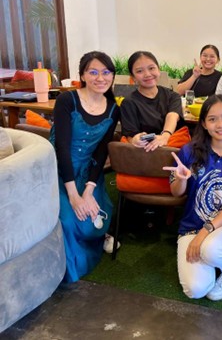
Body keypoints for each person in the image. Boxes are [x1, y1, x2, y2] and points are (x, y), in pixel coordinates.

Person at [163, 95, 222, 301]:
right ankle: (213, 258)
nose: (221, 125)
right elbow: (176, 192)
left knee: (211, 249)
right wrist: (181, 179)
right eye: (212, 119)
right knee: (196, 290)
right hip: (191, 227)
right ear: (203, 123)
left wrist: (204, 233)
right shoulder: (188, 151)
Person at [50, 51, 120, 282]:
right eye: (93, 72)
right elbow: (61, 147)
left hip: (88, 171)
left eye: (106, 72)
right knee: (70, 221)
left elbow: (101, 152)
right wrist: (73, 196)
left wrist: (88, 191)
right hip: (58, 169)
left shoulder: (113, 109)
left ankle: (101, 236)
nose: (101, 77)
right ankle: (64, 269)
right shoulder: (67, 100)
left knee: (91, 222)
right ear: (82, 75)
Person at [120, 51, 189, 151]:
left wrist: (165, 136)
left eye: (151, 68)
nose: (147, 74)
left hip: (172, 151)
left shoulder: (172, 96)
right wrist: (136, 139)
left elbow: (172, 116)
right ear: (133, 77)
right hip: (144, 153)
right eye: (139, 71)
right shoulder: (128, 103)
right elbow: (130, 135)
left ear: (158, 69)